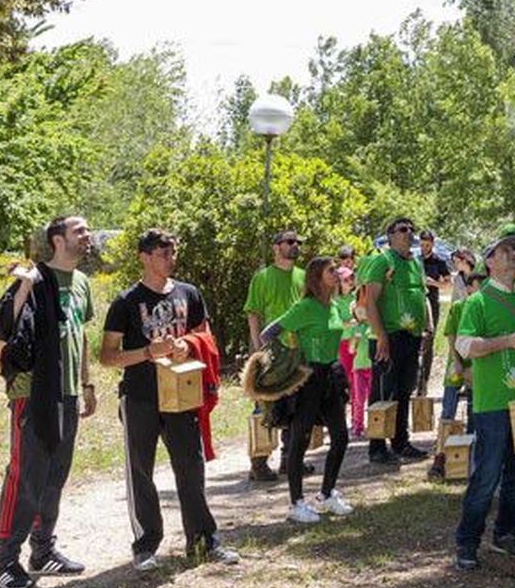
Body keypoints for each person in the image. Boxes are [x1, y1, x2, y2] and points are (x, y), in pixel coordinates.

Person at [100, 228, 237, 569]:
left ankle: (203, 541)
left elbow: (204, 334)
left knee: (191, 468)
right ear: (144, 257)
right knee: (140, 470)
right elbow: (107, 355)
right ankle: (146, 545)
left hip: (182, 395)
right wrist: (148, 351)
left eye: (173, 253)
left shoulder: (189, 293)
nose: (171, 259)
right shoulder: (126, 301)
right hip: (140, 396)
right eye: (163, 253)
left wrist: (187, 345)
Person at [0, 216, 98, 588]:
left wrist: (86, 383)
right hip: (31, 392)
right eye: (80, 232)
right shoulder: (32, 277)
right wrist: (23, 283)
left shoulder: (83, 283)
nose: (88, 237)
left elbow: (81, 335)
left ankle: (42, 550)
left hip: (67, 393)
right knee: (26, 476)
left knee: (55, 475)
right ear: (58, 239)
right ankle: (6, 559)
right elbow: (4, 325)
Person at [452, 234, 515, 570]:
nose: (514, 257)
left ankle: (507, 533)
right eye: (504, 252)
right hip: (493, 403)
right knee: (487, 474)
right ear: (489, 262)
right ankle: (467, 542)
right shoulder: (477, 302)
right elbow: (465, 346)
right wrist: (506, 341)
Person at [260, 256, 354, 523]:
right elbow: (269, 333)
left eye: (336, 269)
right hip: (308, 378)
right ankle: (296, 504)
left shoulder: (334, 306)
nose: (337, 274)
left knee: (341, 436)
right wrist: (288, 357)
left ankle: (326, 495)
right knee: (298, 440)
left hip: (331, 375)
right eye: (331, 270)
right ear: (316, 277)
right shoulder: (305, 307)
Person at [359, 218, 434, 464]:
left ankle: (401, 442)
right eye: (403, 230)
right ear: (390, 235)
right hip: (387, 338)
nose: (409, 233)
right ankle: (377, 447)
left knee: (404, 391)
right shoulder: (383, 260)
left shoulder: (415, 263)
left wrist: (425, 329)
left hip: (410, 337)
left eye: (411, 229)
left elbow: (421, 296)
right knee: (382, 393)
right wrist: (380, 336)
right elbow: (370, 301)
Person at [244, 231, 306, 482]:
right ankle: (258, 464)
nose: (295, 246)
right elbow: (253, 313)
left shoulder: (303, 276)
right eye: (290, 242)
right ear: (276, 247)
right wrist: (258, 346)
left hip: (297, 351)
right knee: (265, 406)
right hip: (271, 352)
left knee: (296, 407)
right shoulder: (263, 277)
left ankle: (289, 461)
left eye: (297, 243)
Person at [428, 270, 482, 480]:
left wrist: (473, 369)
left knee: (473, 412)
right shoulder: (459, 307)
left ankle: (468, 460)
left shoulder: (482, 308)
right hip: (456, 366)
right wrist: (458, 363)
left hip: (475, 368)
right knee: (448, 413)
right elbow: (451, 335)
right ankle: (440, 458)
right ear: (468, 288)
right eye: (476, 287)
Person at [336, 265, 372, 438]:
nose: (350, 282)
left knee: (362, 387)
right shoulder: (334, 301)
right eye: (346, 280)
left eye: (351, 278)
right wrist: (350, 324)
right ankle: (355, 422)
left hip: (360, 345)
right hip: (345, 342)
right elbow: (334, 323)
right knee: (350, 382)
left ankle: (359, 421)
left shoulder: (356, 296)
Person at [417, 230, 451, 394]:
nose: (424, 247)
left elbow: (447, 284)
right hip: (416, 304)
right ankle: (414, 379)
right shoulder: (415, 260)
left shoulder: (439, 261)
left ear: (433, 244)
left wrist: (432, 283)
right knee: (415, 340)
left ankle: (425, 380)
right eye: (422, 244)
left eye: (427, 244)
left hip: (432, 302)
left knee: (429, 340)